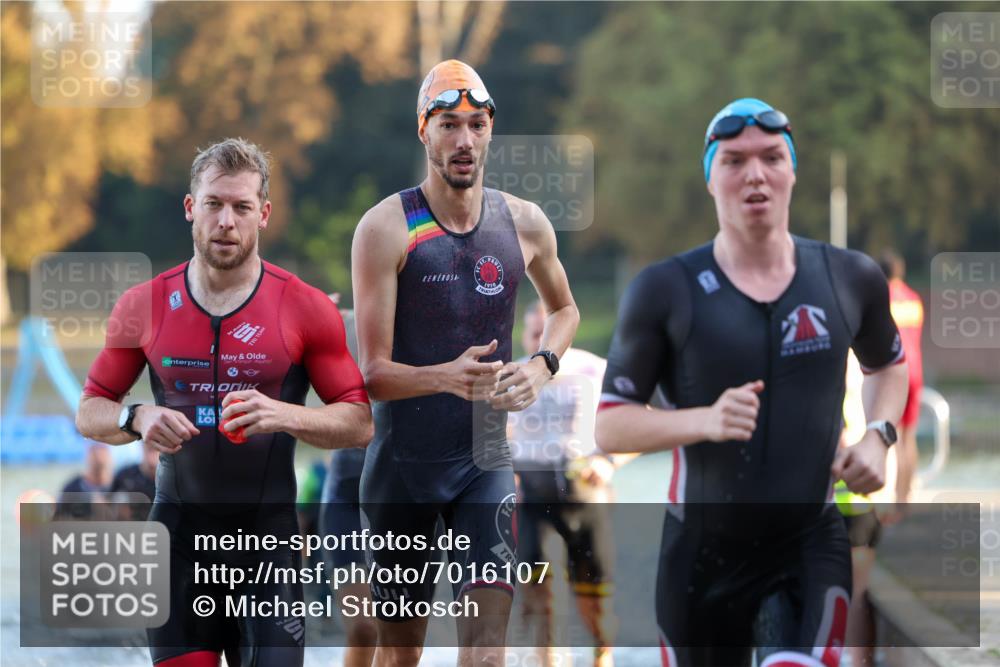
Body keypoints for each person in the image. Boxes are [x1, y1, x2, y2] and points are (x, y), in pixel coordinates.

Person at [595, 98, 909, 667]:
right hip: (701, 556)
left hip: (810, 544)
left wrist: (878, 436)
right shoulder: (665, 290)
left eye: (771, 157)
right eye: (735, 161)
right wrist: (703, 420)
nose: (755, 174)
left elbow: (888, 366)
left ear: (792, 171)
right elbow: (610, 426)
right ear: (710, 179)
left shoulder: (848, 277)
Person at [76, 138, 373, 667]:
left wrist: (284, 414)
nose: (226, 221)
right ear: (192, 209)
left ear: (264, 214)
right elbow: (91, 408)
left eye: (241, 207)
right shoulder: (142, 305)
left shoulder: (303, 307)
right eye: (213, 203)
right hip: (178, 539)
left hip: (269, 542)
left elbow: (358, 421)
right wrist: (136, 416)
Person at [352, 60, 579, 667]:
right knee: (401, 656)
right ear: (423, 131)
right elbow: (370, 374)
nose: (464, 140)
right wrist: (443, 377)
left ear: (490, 131)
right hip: (403, 466)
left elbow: (564, 310)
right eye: (449, 125)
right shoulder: (385, 227)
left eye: (476, 125)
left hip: (485, 461)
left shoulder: (523, 222)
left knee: (486, 651)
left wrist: (542, 365)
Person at [511, 301, 619, 667]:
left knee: (595, 610)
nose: (540, 342)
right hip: (532, 503)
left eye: (548, 332)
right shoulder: (512, 375)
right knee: (542, 597)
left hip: (585, 500)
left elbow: (637, 420)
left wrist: (609, 462)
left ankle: (603, 655)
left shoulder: (594, 369)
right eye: (533, 333)